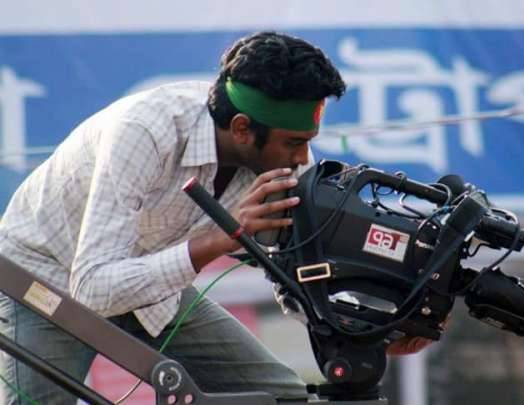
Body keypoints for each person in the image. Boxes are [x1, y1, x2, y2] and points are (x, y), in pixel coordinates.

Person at [0, 31, 430, 403]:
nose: (303, 158)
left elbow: (296, 274)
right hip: (44, 279)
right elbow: (93, 288)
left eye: (307, 142)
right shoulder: (144, 132)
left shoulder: (285, 160)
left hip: (151, 283)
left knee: (282, 397)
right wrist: (219, 241)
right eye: (293, 143)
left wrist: (370, 332)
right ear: (242, 129)